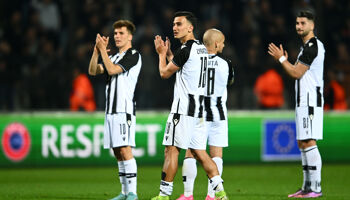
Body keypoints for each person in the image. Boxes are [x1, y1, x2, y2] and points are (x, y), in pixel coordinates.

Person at [152, 11, 228, 200]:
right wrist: (171, 55)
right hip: (199, 111)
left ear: (190, 27)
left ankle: (164, 194)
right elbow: (186, 70)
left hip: (183, 109)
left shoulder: (186, 50)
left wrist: (161, 54)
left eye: (179, 24)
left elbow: (164, 73)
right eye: (174, 25)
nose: (175, 28)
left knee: (171, 150)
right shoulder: (201, 48)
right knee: (200, 153)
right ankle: (220, 192)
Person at [268, 10, 325, 198]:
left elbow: (295, 73)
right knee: (302, 142)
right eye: (297, 23)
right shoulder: (306, 47)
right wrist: (285, 61)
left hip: (310, 101)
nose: (299, 26)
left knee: (309, 141)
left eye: (303, 23)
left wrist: (281, 59)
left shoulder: (312, 46)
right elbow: (297, 70)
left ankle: (315, 187)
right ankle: (307, 187)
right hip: (304, 101)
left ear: (312, 25)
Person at [176, 29, 234, 200]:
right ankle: (211, 196)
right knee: (216, 155)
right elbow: (230, 81)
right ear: (216, 44)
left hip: (198, 114)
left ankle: (188, 195)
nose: (223, 45)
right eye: (222, 42)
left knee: (191, 152)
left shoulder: (195, 61)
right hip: (219, 114)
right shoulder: (227, 63)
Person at [88, 20, 141, 200]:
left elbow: (111, 71)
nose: (117, 36)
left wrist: (103, 50)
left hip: (123, 110)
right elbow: (93, 71)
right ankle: (124, 192)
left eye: (121, 33)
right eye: (116, 33)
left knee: (125, 150)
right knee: (117, 152)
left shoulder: (133, 54)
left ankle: (133, 193)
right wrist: (96, 52)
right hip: (110, 111)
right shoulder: (116, 57)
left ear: (130, 36)